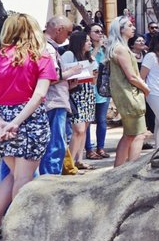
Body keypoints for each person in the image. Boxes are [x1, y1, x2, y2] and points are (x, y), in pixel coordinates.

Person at [0, 13, 57, 236]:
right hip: (29, 120)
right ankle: (17, 227)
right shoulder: (41, 58)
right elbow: (39, 94)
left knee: (12, 174)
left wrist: (1, 122)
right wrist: (16, 122)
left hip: (1, 120)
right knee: (23, 177)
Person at [39, 16, 83, 175]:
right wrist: (72, 72)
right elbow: (50, 77)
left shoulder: (44, 46)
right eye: (68, 32)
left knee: (54, 144)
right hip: (54, 102)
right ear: (59, 30)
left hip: (53, 100)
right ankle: (51, 180)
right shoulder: (49, 48)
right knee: (55, 145)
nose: (68, 37)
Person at [106, 15, 150, 167]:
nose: (134, 28)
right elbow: (131, 76)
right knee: (139, 134)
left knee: (129, 135)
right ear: (121, 29)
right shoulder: (121, 49)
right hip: (129, 95)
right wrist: (146, 89)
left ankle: (119, 170)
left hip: (126, 94)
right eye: (130, 25)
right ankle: (131, 169)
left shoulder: (118, 48)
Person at [61, 30, 96, 172]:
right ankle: (68, 164)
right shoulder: (69, 55)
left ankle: (79, 160)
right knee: (78, 130)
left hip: (88, 94)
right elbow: (62, 73)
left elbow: (94, 79)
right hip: (76, 95)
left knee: (84, 130)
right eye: (87, 40)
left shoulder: (89, 57)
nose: (90, 43)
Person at [85, 23, 110, 161]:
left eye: (101, 31)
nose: (100, 34)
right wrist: (97, 47)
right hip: (89, 89)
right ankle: (89, 149)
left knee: (102, 120)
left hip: (102, 89)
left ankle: (101, 147)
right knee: (88, 121)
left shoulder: (105, 50)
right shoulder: (86, 49)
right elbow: (88, 63)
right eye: (96, 31)